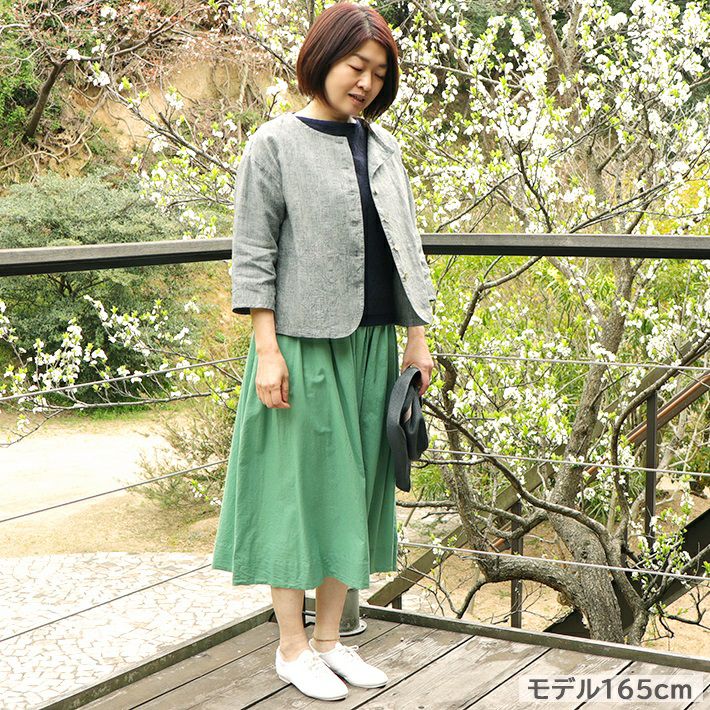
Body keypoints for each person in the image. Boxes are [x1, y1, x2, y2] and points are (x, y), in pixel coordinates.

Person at [211, 1, 436, 701]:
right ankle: (292, 648)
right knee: (296, 493)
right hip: (302, 347)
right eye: (355, 66)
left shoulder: (386, 149)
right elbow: (253, 254)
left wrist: (417, 337)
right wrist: (267, 350)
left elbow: (407, 250)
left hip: (374, 349)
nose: (365, 83)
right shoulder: (273, 145)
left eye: (378, 74)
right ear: (322, 58)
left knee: (356, 492)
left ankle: (332, 643)